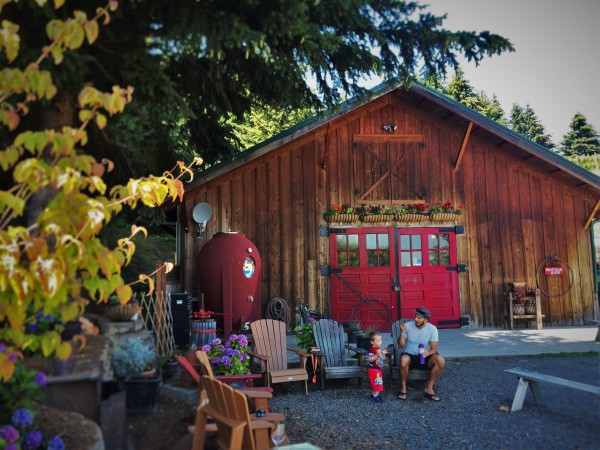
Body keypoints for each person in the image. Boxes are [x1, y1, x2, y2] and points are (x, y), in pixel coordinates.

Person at [397, 306, 445, 401]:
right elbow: (401, 345)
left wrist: (428, 353)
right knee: (403, 360)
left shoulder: (432, 329)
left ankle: (429, 388)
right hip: (410, 355)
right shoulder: (408, 326)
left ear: (426, 319)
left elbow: (433, 349)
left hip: (424, 356)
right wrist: (402, 332)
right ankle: (403, 387)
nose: (416, 319)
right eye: (415, 316)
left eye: (419, 318)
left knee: (440, 360)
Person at [367, 332, 388, 403]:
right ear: (372, 342)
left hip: (377, 369)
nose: (380, 342)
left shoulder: (377, 348)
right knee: (377, 384)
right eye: (378, 341)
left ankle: (374, 395)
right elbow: (370, 360)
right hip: (374, 369)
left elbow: (379, 357)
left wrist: (382, 353)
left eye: (381, 340)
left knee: (377, 383)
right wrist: (376, 354)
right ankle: (375, 397)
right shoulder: (372, 350)